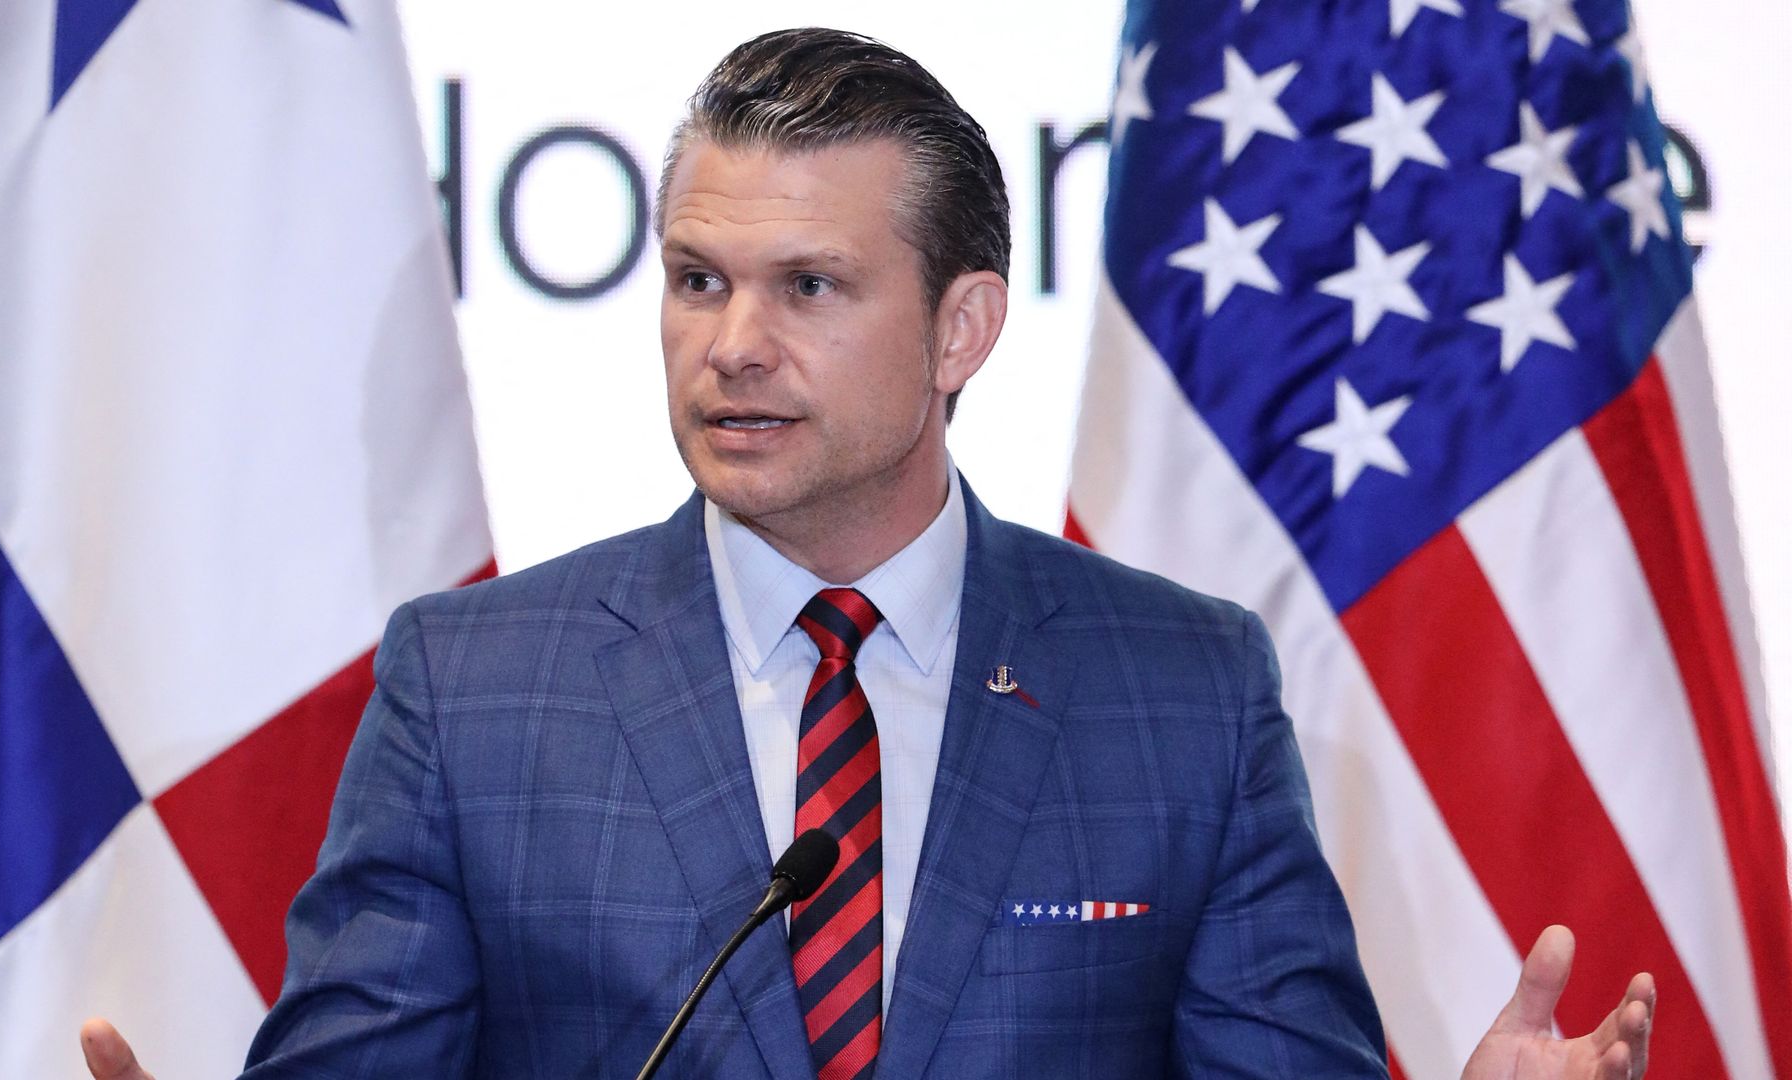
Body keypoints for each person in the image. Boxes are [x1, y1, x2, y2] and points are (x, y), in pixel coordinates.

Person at [82, 27, 1654, 1080]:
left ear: (962, 325)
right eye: (697, 281)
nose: (733, 347)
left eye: (810, 289)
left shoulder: (1183, 687)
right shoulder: (476, 687)